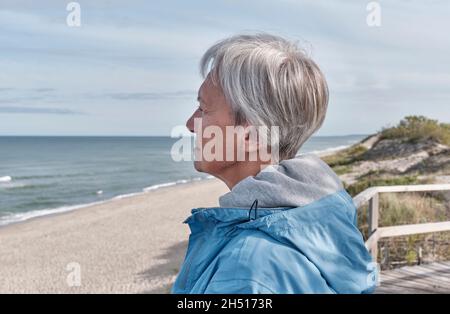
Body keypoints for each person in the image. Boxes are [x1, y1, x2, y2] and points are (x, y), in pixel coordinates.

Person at [171, 33, 377, 294]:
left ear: (251, 134)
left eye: (204, 109)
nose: (190, 124)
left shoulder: (246, 272)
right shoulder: (319, 215)